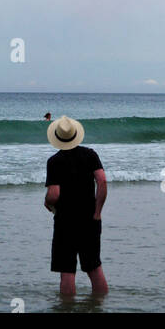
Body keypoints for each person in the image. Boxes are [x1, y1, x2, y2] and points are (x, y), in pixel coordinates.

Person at [44, 116, 108, 297]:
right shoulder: (90, 154)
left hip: (66, 220)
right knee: (94, 267)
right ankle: (99, 306)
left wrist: (47, 202)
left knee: (67, 270)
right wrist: (97, 212)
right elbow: (102, 181)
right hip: (90, 218)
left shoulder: (54, 161)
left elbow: (54, 194)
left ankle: (67, 308)